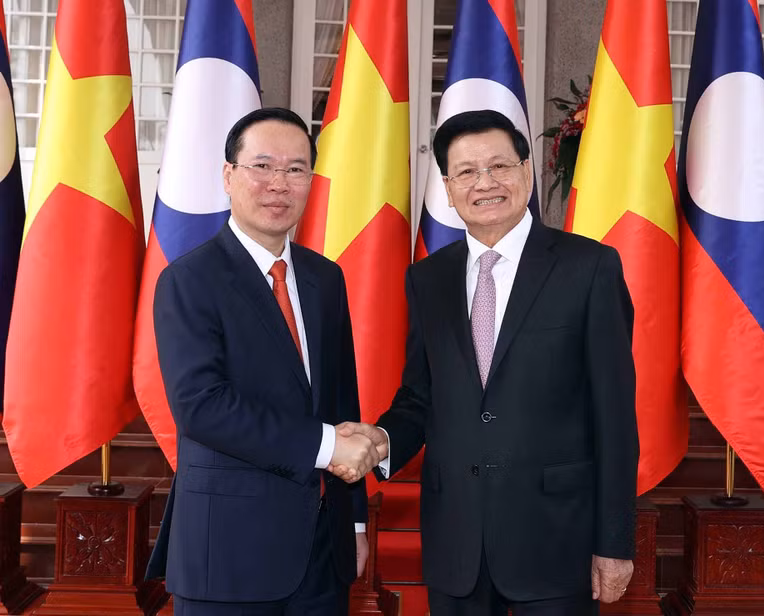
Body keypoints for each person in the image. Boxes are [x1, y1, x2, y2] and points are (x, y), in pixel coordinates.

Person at [335, 110, 639, 615]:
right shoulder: (427, 279)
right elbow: (419, 396)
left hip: (555, 539)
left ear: (527, 173)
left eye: (500, 166)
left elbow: (615, 416)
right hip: (456, 539)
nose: (486, 183)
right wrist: (383, 441)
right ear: (449, 190)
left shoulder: (590, 268)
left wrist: (614, 542)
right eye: (468, 173)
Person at [145, 107, 382, 615]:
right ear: (229, 176)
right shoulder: (189, 281)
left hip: (324, 551)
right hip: (228, 555)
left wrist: (355, 522)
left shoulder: (326, 279)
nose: (280, 183)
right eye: (263, 166)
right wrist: (327, 444)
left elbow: (342, 398)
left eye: (296, 169)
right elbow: (202, 407)